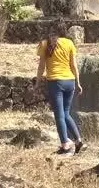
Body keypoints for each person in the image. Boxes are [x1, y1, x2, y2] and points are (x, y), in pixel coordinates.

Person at [35, 19, 87, 156]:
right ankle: (78, 140)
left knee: (59, 115)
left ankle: (65, 144)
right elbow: (74, 65)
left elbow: (41, 66)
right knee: (66, 113)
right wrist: (78, 82)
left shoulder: (45, 44)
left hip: (55, 83)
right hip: (70, 81)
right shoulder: (69, 43)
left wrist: (38, 82)